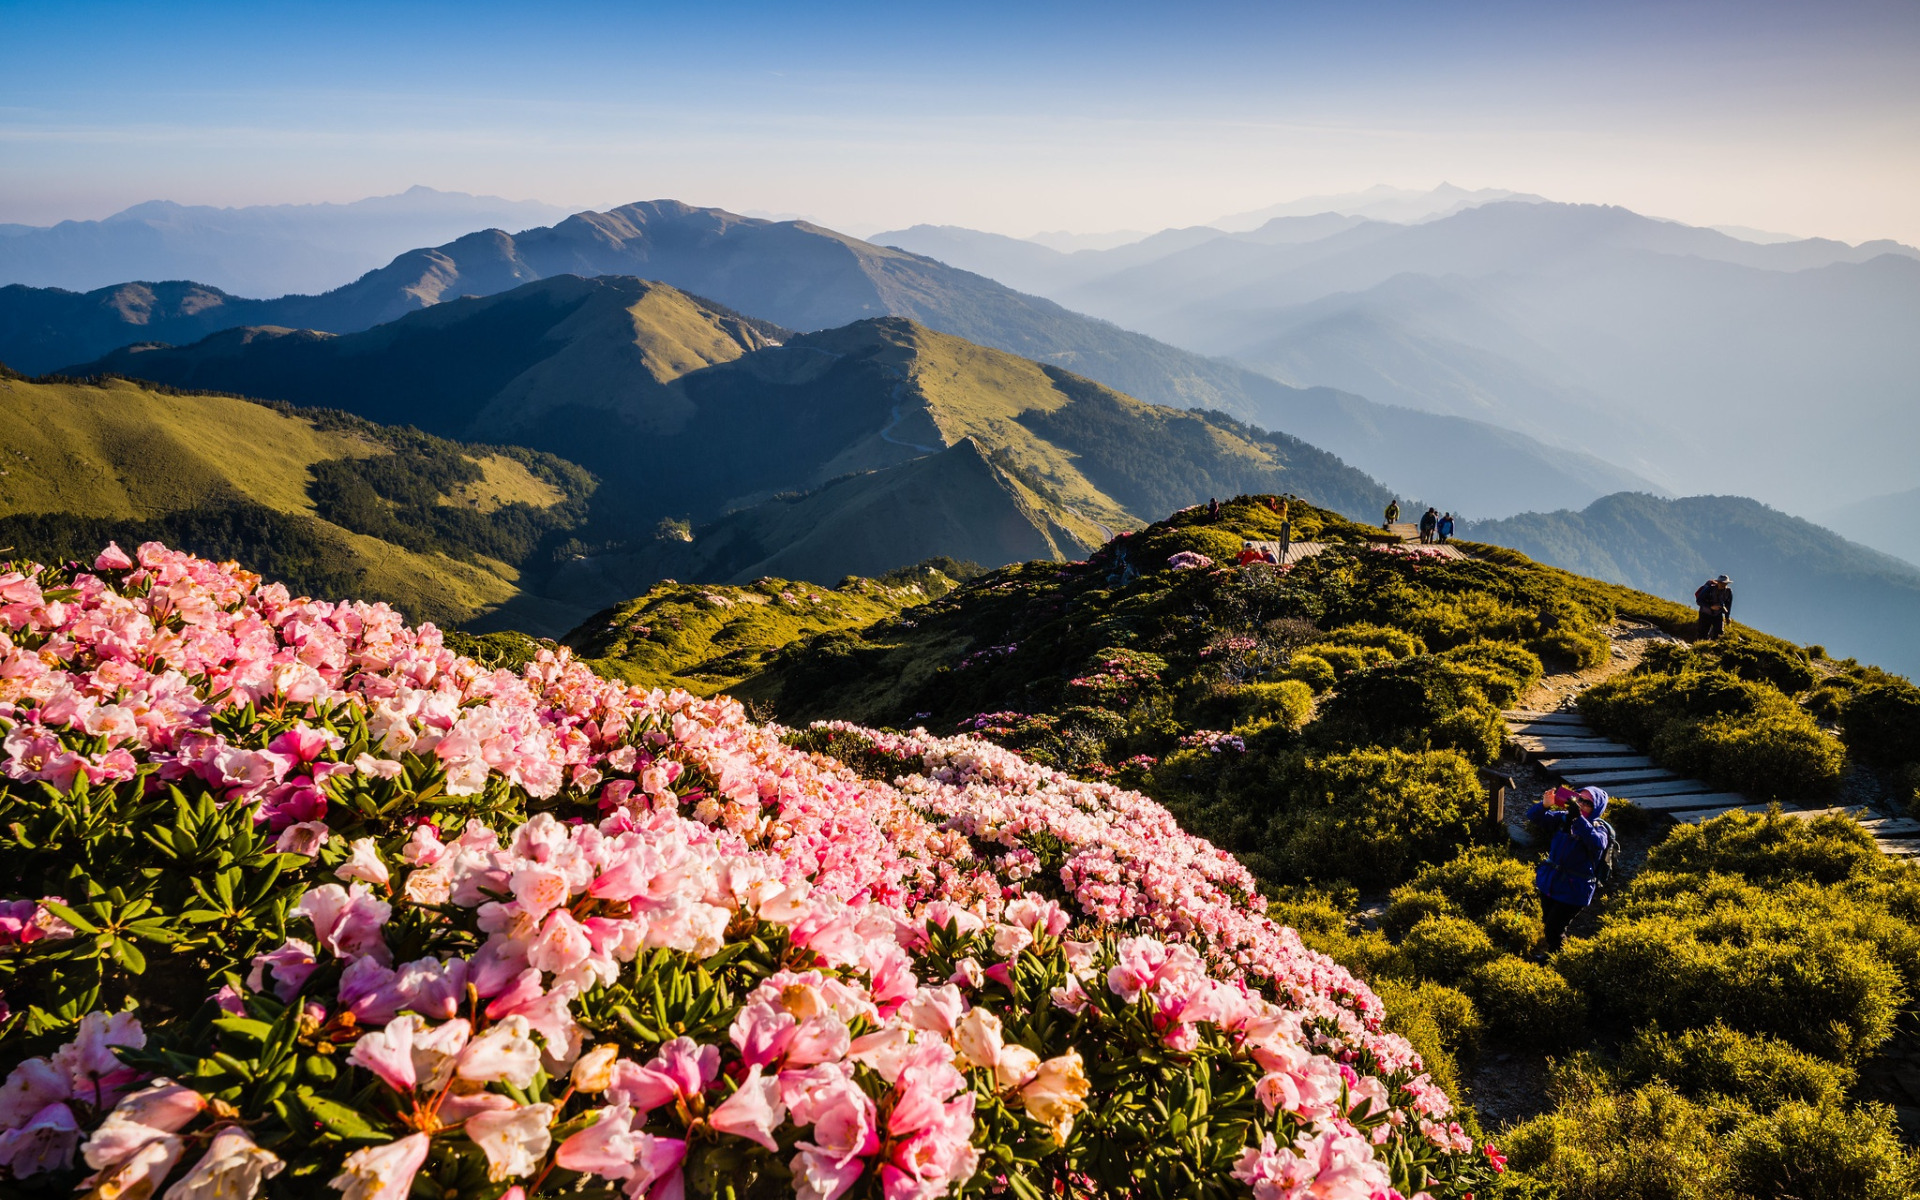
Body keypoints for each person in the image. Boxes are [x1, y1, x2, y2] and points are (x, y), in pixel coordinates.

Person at [1527, 785, 1612, 957]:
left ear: (1597, 809)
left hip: (1575, 890)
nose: (1581, 804)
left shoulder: (1599, 828)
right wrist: (1544, 805)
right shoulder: (1563, 818)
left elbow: (1597, 843)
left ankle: (1557, 959)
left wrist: (1578, 818)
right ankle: (1553, 953)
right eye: (1579, 798)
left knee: (1554, 927)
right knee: (1548, 921)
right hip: (1551, 882)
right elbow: (1534, 817)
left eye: (1587, 803)